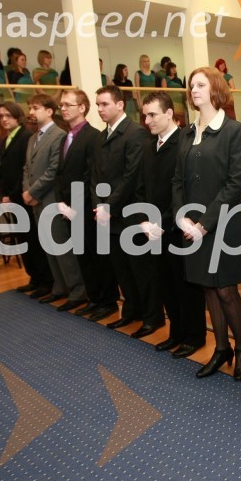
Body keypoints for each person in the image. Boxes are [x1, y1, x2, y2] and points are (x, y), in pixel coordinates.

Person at [171, 67, 241, 379]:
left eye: (200, 84)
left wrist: (204, 223)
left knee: (226, 290)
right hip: (192, 224)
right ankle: (221, 348)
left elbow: (234, 183)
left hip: (222, 222)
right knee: (207, 289)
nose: (194, 90)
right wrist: (182, 217)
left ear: (216, 88)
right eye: (191, 86)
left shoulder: (233, 131)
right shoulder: (187, 133)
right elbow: (177, 180)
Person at [139, 91, 207, 353]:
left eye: (153, 114)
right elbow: (142, 187)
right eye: (145, 115)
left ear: (169, 113)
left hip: (178, 227)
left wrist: (165, 221)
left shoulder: (185, 143)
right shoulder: (149, 145)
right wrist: (145, 220)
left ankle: (194, 336)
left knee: (186, 286)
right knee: (165, 284)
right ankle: (176, 332)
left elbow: (184, 190)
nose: (148, 121)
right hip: (154, 230)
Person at [92, 86, 160, 336]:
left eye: (104, 104)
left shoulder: (136, 134)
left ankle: (153, 318)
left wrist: (108, 206)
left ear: (120, 105)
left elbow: (131, 177)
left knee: (141, 270)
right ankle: (132, 311)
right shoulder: (101, 137)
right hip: (108, 216)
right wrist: (98, 206)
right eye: (97, 104)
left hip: (131, 215)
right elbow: (95, 175)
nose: (99, 109)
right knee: (122, 271)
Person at [55, 89, 118, 318]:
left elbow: (90, 175)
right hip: (70, 209)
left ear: (82, 108)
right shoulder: (67, 137)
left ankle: (108, 301)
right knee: (83, 257)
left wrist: (75, 204)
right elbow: (62, 174)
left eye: (68, 104)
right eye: (61, 104)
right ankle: (95, 298)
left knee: (98, 258)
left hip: (87, 208)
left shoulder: (92, 136)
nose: (62, 108)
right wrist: (63, 203)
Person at [0, 101, 52, 295]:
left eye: (8, 115)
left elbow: (25, 172)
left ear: (17, 116)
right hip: (12, 198)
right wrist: (3, 195)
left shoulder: (25, 137)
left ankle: (45, 279)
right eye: (1, 116)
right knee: (23, 240)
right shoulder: (7, 139)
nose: (4, 119)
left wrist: (12, 195)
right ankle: (34, 277)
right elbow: (5, 171)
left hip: (23, 197)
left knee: (33, 240)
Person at [22, 94, 67, 300]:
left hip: (50, 199)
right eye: (30, 107)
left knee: (61, 247)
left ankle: (74, 290)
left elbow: (53, 169)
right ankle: (59, 288)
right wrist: (26, 191)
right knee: (48, 248)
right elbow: (27, 169)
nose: (31, 112)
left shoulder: (58, 135)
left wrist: (33, 192)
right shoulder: (33, 138)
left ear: (49, 111)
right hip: (36, 202)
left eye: (36, 108)